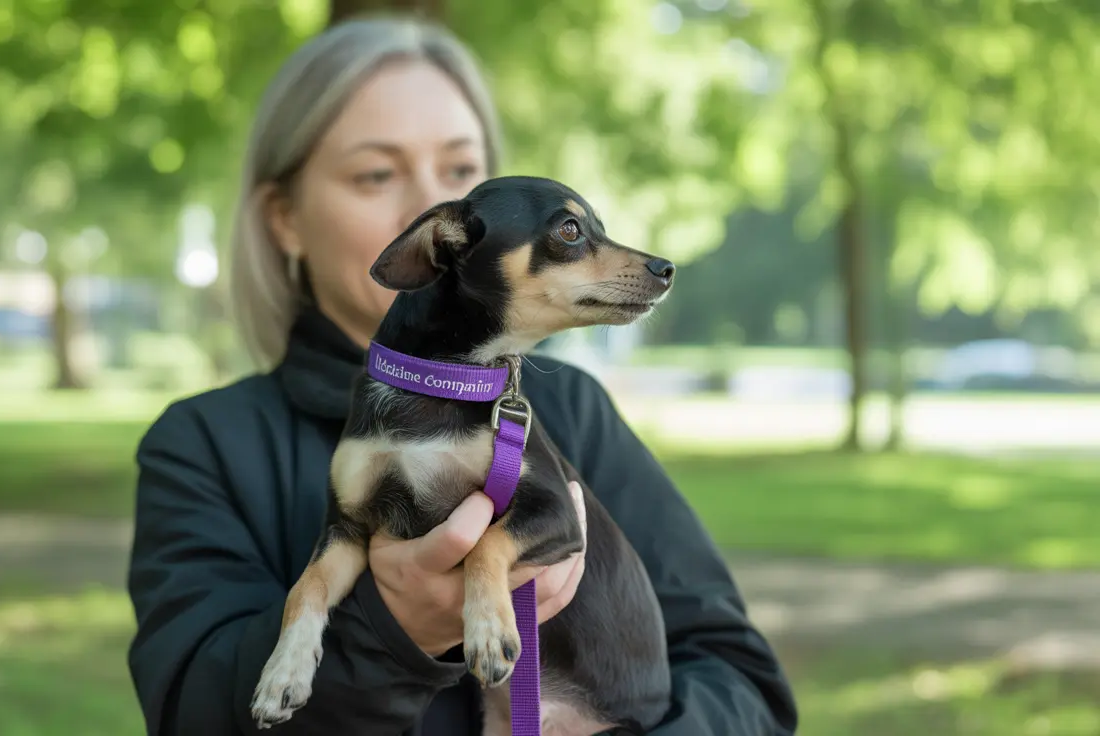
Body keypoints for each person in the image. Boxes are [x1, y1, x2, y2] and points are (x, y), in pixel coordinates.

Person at [125, 14, 798, 736]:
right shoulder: (204, 447)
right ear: (284, 218)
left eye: (458, 170)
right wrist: (391, 633)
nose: (427, 205)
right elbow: (193, 713)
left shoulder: (571, 410)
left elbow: (741, 683)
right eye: (375, 173)